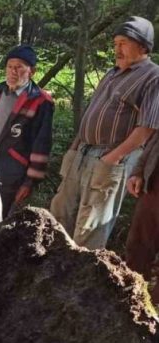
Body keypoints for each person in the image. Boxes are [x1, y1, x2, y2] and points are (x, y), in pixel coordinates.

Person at [50, 16, 159, 249]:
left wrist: (113, 157)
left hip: (109, 158)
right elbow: (92, 113)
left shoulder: (153, 76)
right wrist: (73, 148)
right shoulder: (112, 74)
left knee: (90, 227)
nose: (117, 48)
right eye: (115, 43)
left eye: (123, 43)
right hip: (81, 153)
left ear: (142, 46)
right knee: (59, 215)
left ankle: (78, 281)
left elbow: (147, 128)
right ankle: (46, 275)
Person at [0, 45, 54, 218]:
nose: (13, 71)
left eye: (19, 67)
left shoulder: (40, 102)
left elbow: (42, 143)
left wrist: (30, 181)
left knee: (0, 216)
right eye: (10, 66)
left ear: (31, 71)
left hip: (12, 171)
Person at [125, 135, 159, 291]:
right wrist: (138, 172)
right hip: (153, 187)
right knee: (138, 246)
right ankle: (132, 295)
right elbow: (153, 141)